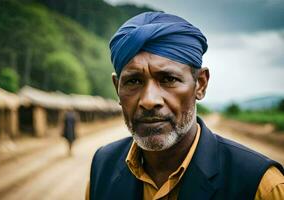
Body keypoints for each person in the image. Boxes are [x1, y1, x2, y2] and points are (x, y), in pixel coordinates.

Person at [86, 12, 284, 200]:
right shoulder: (102, 168)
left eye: (168, 79)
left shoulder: (261, 186)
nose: (148, 100)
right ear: (116, 87)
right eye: (133, 81)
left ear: (200, 84)